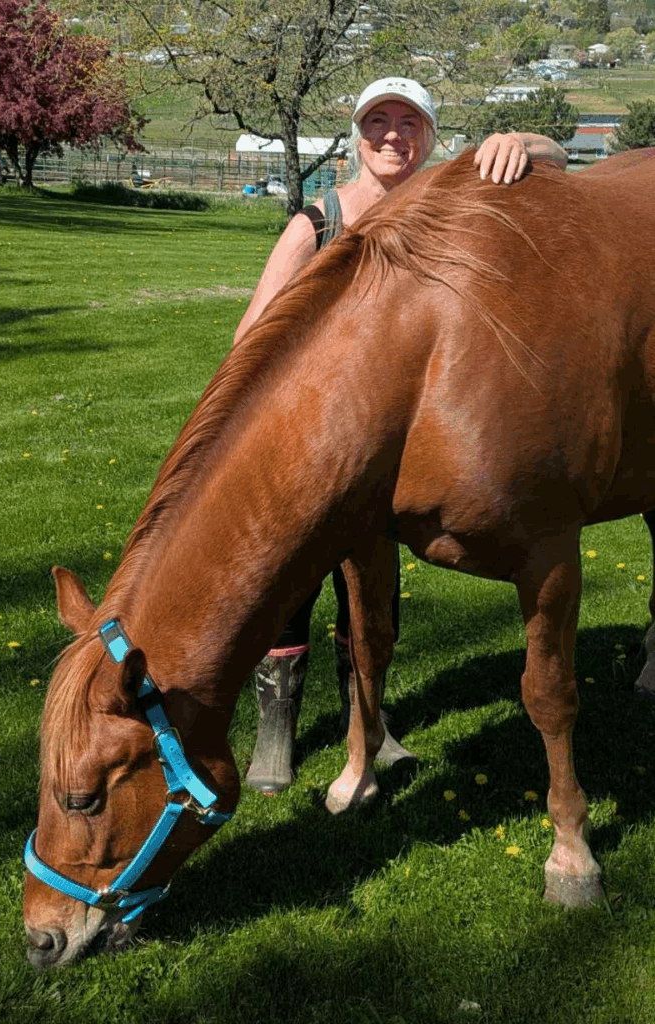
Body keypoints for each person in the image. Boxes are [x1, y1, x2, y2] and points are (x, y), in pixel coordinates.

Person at [234, 77, 568, 795]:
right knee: (293, 583)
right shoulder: (317, 222)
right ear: (356, 135)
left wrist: (516, 143)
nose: (392, 135)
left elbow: (559, 157)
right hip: (312, 440)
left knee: (374, 596)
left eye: (408, 122)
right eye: (377, 121)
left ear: (430, 135)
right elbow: (249, 338)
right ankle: (275, 735)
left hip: (394, 450)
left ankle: (372, 727)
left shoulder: (446, 202)